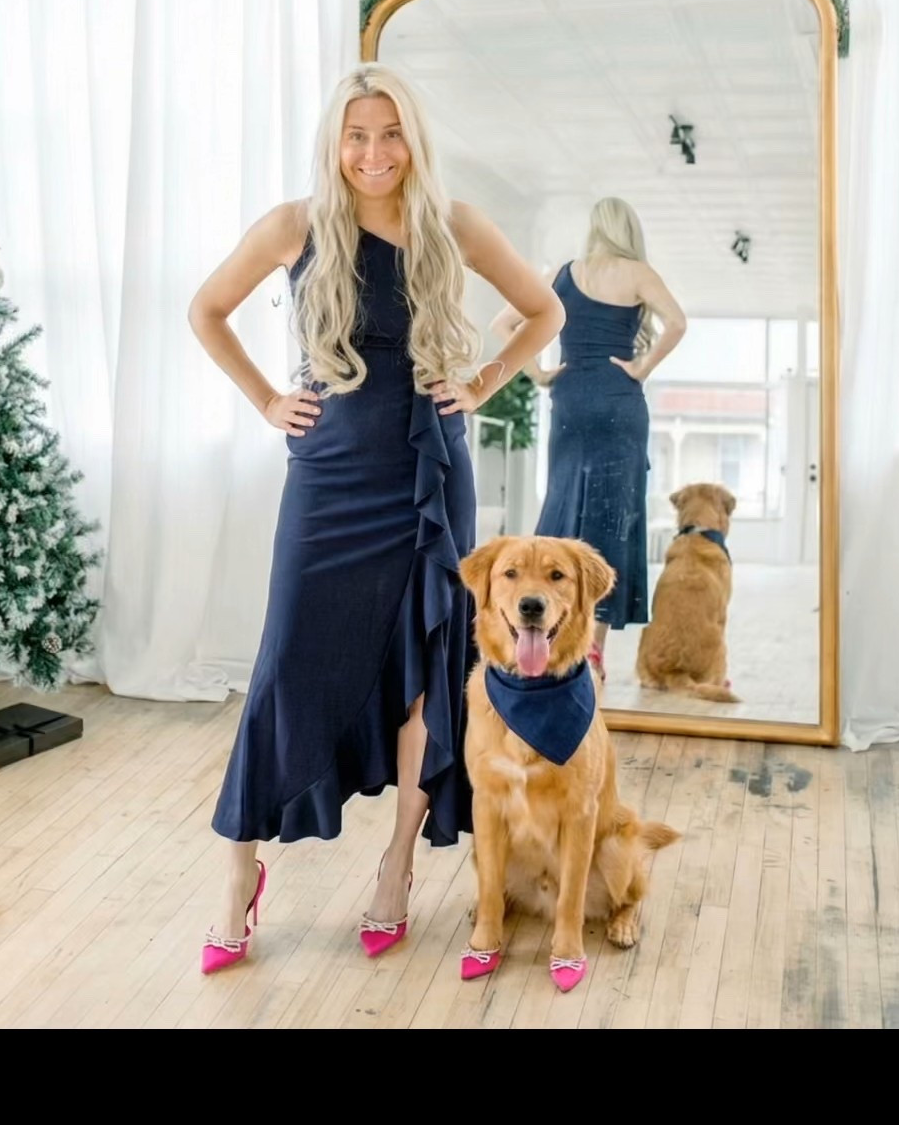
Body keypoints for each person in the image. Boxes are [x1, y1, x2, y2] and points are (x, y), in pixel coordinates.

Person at [188, 63, 564, 971]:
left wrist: (481, 384)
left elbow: (544, 310)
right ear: (335, 142)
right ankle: (238, 874)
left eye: (390, 133)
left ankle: (396, 866)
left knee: (429, 672)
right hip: (328, 477)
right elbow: (207, 311)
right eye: (357, 135)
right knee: (284, 664)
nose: (373, 153)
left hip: (428, 475)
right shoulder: (294, 226)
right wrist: (267, 400)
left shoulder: (452, 224)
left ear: (413, 140)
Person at [492, 196, 686, 683]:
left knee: (564, 506)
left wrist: (538, 373)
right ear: (629, 230)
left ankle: (546, 636)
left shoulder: (564, 273)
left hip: (572, 399)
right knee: (611, 516)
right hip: (619, 401)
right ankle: (593, 650)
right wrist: (642, 367)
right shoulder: (638, 273)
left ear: (595, 229)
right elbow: (678, 322)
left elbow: (504, 323)